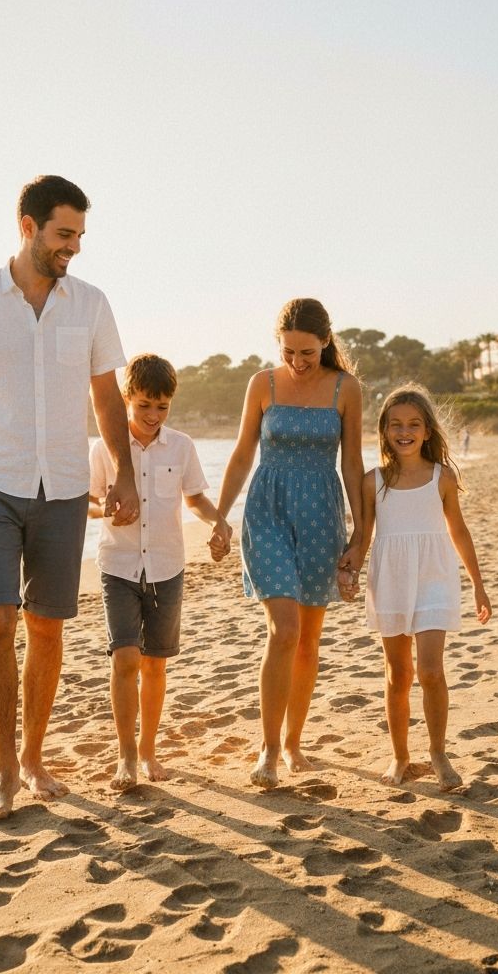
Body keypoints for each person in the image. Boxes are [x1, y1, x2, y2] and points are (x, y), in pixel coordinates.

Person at [0, 175, 140, 820]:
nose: (72, 247)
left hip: (65, 486)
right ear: (28, 227)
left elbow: (107, 396)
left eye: (79, 235)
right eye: (62, 234)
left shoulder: (91, 304)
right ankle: (3, 771)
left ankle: (33, 758)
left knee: (47, 628)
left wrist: (124, 473)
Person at [216, 299, 363, 788]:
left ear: (325, 342)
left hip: (321, 513)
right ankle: (269, 749)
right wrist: (219, 516)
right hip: (269, 510)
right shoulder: (263, 383)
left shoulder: (347, 389)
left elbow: (352, 464)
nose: (298, 362)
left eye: (307, 352)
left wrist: (361, 535)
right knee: (283, 629)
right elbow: (240, 454)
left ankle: (295, 741)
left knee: (308, 639)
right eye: (289, 351)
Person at [89, 354, 232, 791]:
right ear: (127, 399)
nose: (153, 416)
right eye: (144, 405)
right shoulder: (103, 449)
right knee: (125, 658)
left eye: (162, 407)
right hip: (118, 565)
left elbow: (195, 499)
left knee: (155, 665)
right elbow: (87, 501)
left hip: (168, 567)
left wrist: (219, 522)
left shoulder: (182, 446)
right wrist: (106, 511)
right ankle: (126, 756)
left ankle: (148, 749)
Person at [345, 384, 491, 792]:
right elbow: (363, 536)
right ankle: (400, 756)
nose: (404, 431)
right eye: (396, 425)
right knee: (397, 674)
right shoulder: (374, 482)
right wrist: (349, 569)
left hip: (433, 578)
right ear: (385, 431)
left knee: (430, 671)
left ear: (427, 431)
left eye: (413, 424)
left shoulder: (442, 477)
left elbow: (458, 531)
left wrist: (478, 584)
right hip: (390, 579)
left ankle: (439, 753)